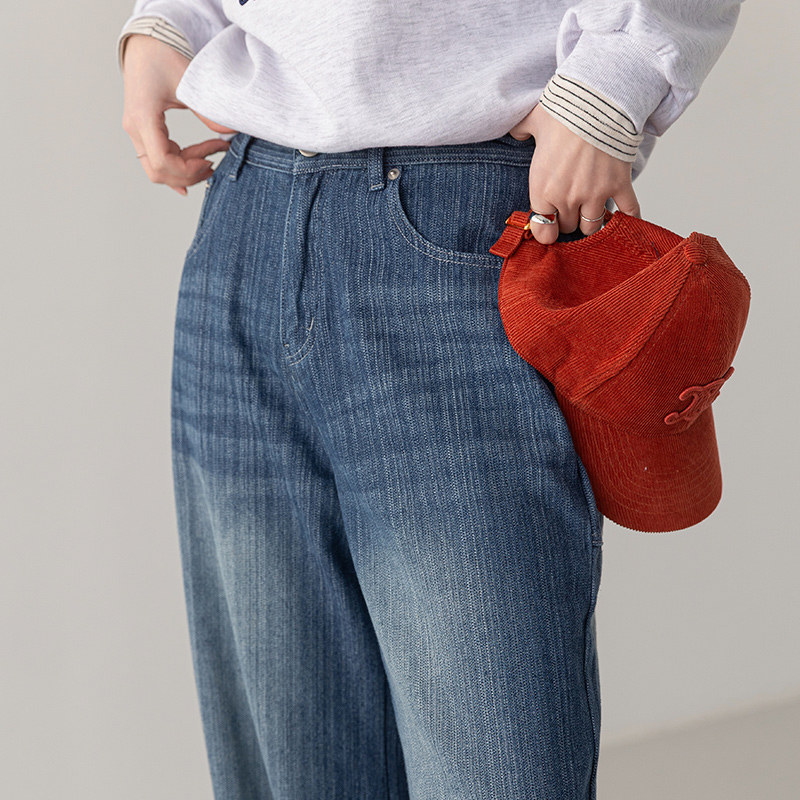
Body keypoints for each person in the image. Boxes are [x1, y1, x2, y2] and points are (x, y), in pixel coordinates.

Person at [117, 3, 741, 798]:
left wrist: (614, 83)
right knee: (288, 767)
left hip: (465, 220)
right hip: (245, 207)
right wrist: (167, 25)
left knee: (492, 764)